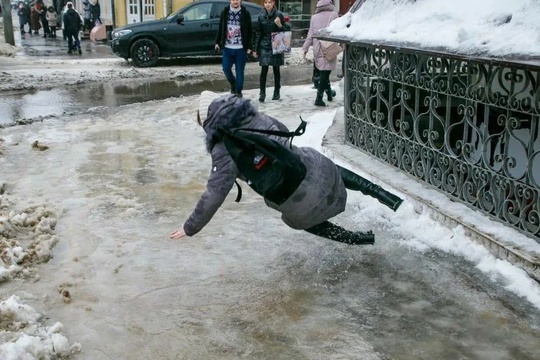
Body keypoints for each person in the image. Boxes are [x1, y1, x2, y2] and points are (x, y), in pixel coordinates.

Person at [169, 94, 402, 244]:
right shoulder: (256, 116)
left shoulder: (223, 148)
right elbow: (283, 134)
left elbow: (215, 193)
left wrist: (190, 227)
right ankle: (388, 197)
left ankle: (355, 239)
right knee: (319, 163)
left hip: (294, 200)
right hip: (313, 171)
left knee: (295, 217)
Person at [302, 0, 339, 107]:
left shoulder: (314, 17)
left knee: (324, 72)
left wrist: (305, 48)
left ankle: (329, 93)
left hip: (318, 48)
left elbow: (310, 34)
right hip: (329, 46)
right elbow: (338, 31)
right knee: (325, 73)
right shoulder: (334, 15)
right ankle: (319, 98)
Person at [252, 0, 290, 103]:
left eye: (269, 2)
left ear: (273, 3)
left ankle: (277, 91)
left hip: (276, 44)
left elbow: (287, 30)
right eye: (265, 2)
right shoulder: (261, 16)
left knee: (276, 69)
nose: (267, 4)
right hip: (264, 45)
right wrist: (255, 49)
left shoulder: (279, 15)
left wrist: (279, 25)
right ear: (263, 4)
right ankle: (262, 93)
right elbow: (258, 33)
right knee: (264, 70)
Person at [214, 0, 253, 98]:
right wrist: (217, 42)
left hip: (240, 48)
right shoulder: (225, 12)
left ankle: (238, 92)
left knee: (240, 71)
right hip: (228, 47)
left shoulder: (245, 13)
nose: (235, 1)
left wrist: (249, 46)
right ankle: (233, 84)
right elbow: (221, 28)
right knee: (226, 68)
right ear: (230, 1)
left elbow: (250, 31)